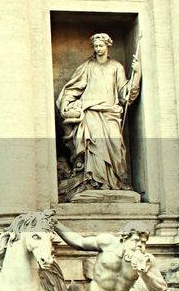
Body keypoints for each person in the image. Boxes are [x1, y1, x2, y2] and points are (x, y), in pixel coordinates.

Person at [57, 32, 141, 198]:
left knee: (115, 146)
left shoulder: (116, 67)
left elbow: (125, 93)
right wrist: (67, 104)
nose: (98, 49)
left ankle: (115, 182)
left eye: (101, 45)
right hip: (91, 112)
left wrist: (137, 74)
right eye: (95, 46)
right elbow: (73, 88)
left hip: (110, 113)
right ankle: (95, 182)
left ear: (107, 46)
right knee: (95, 147)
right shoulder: (87, 66)